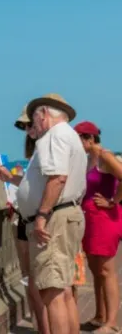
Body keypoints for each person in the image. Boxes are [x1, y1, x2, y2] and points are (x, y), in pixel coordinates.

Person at [0, 94, 86, 334]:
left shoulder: (54, 136)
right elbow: (45, 182)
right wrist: (11, 178)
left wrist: (42, 216)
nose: (31, 126)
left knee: (52, 293)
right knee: (63, 289)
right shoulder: (69, 135)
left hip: (54, 219)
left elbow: (58, 179)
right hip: (66, 214)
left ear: (43, 114)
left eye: (32, 119)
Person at [74, 120, 122, 333]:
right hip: (91, 219)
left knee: (106, 270)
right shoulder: (87, 159)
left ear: (89, 139)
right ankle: (100, 315)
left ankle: (111, 323)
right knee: (96, 269)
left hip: (104, 219)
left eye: (78, 140)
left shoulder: (104, 156)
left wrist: (113, 201)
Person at [6, 105, 51, 334]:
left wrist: (41, 216)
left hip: (39, 222)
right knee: (35, 282)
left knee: (43, 285)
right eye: (24, 127)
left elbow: (54, 183)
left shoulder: (49, 148)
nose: (27, 130)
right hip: (29, 220)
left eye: (29, 125)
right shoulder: (38, 151)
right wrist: (9, 178)